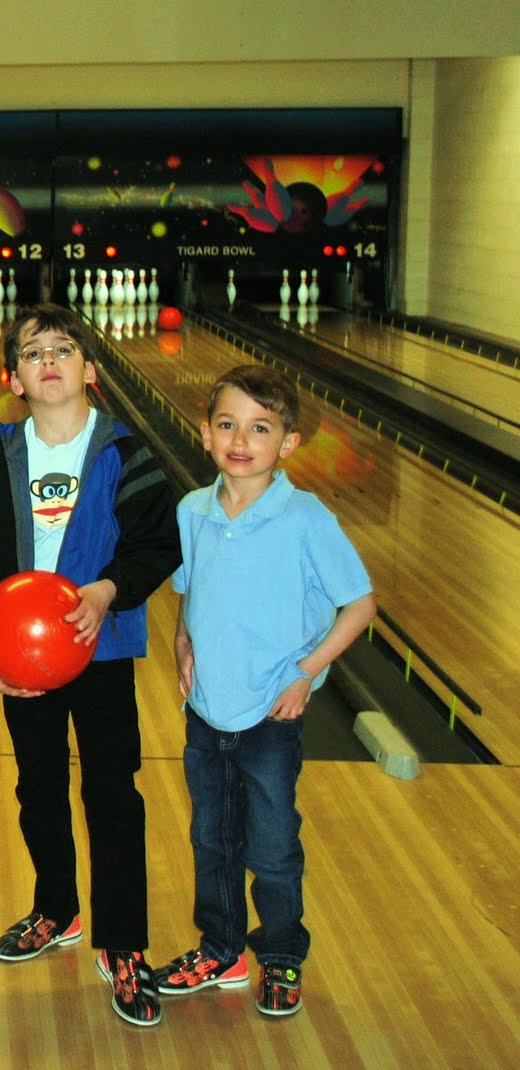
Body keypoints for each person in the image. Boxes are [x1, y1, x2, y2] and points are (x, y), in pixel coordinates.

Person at [0, 304, 179, 1027]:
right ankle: (56, 908)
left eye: (62, 349)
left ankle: (124, 945)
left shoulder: (125, 449)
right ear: (15, 378)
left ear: (88, 368)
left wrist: (110, 589)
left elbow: (157, 541)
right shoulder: (3, 453)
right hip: (22, 655)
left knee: (114, 793)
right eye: (32, 353)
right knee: (38, 786)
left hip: (101, 648)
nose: (48, 361)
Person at [160, 364, 374, 1017]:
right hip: (206, 708)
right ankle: (220, 949)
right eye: (227, 424)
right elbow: (190, 590)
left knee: (273, 844)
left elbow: (359, 606)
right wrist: (181, 641)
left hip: (269, 714)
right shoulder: (192, 510)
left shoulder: (305, 518)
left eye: (260, 428)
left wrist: (307, 673)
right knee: (210, 838)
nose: (240, 439)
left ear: (287, 443)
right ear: (204, 433)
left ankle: (280, 956)